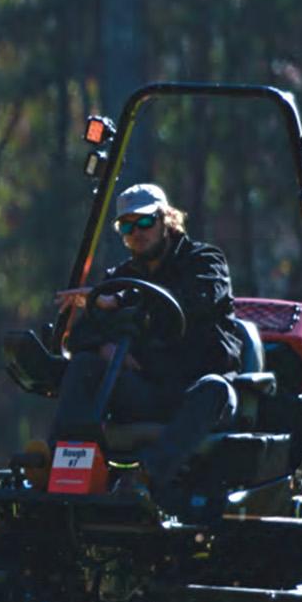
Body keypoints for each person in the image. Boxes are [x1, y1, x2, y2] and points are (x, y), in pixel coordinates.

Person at [52, 182, 245, 502]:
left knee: (215, 388)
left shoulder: (205, 261)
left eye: (144, 222)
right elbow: (83, 334)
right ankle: (61, 468)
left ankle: (146, 477)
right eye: (127, 226)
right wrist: (105, 348)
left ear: (166, 220)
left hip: (195, 391)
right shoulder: (121, 274)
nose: (136, 232)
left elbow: (196, 300)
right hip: (147, 389)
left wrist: (124, 299)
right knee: (85, 364)